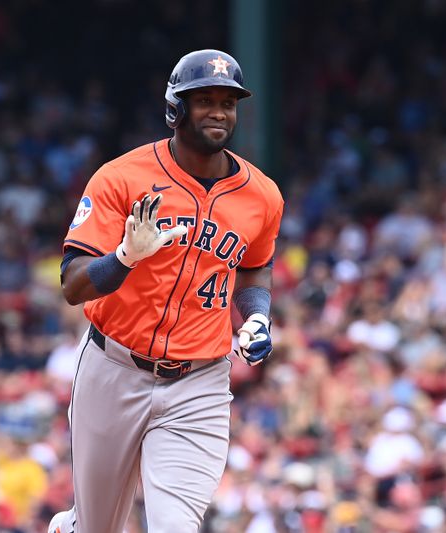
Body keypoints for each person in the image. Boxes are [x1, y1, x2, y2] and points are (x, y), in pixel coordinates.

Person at [49, 49, 284, 533]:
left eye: (228, 102)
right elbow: (73, 285)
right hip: (113, 369)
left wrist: (257, 315)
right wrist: (124, 258)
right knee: (97, 528)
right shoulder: (122, 177)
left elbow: (255, 269)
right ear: (176, 108)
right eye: (205, 100)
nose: (219, 111)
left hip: (199, 382)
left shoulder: (262, 195)